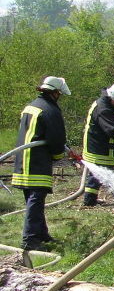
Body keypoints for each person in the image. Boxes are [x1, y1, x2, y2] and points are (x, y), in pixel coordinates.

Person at [12, 76, 71, 251]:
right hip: (37, 161)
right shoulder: (50, 110)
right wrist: (58, 155)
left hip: (23, 158)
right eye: (59, 93)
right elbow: (56, 139)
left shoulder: (31, 106)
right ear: (55, 93)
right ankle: (30, 240)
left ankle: (41, 234)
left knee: (33, 199)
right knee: (36, 200)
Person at [82, 83, 114, 206]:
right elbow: (112, 129)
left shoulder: (103, 103)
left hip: (97, 143)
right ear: (111, 98)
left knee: (99, 173)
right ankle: (89, 201)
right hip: (98, 146)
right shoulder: (103, 109)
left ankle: (91, 199)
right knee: (99, 173)